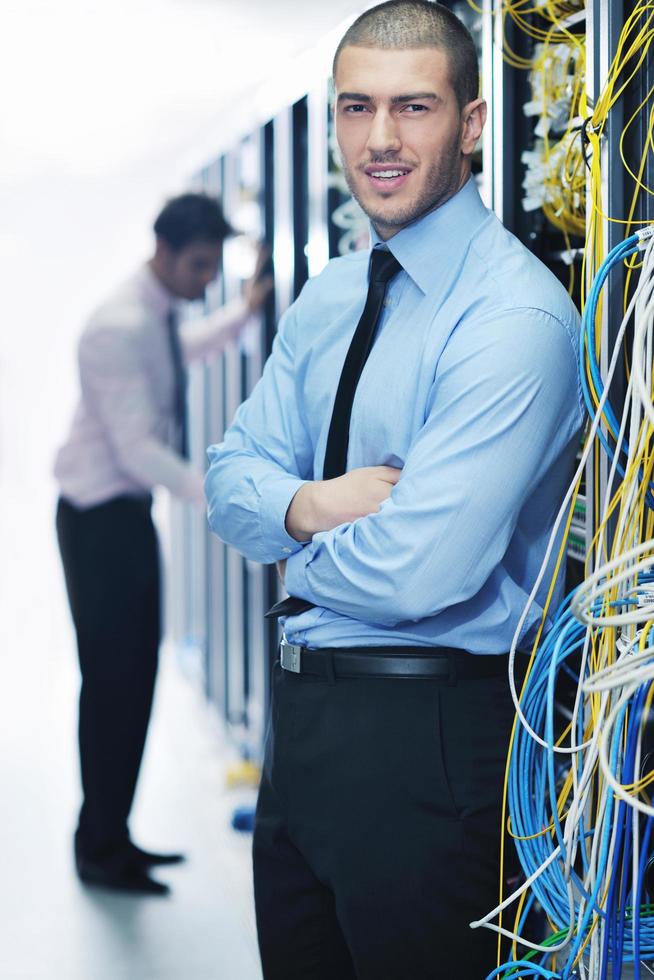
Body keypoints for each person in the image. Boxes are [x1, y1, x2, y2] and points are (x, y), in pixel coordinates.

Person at [205, 2, 583, 977]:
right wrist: (323, 503)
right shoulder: (329, 297)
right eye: (355, 108)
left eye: (413, 107)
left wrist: (283, 533)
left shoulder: (515, 315)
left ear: (471, 123)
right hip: (304, 742)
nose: (379, 139)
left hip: (432, 748)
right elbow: (224, 481)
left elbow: (422, 572)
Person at [55, 192, 272, 896]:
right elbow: (138, 449)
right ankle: (99, 847)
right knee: (114, 687)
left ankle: (112, 836)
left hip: (122, 518)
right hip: (101, 521)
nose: (207, 279)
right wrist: (226, 493)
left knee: (131, 683)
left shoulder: (151, 317)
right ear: (166, 251)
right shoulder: (117, 327)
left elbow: (180, 352)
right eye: (202, 266)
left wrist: (243, 311)